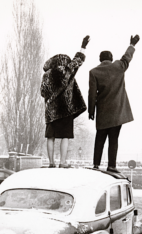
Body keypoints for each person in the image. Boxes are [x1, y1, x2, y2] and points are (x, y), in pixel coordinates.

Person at [88, 35, 140, 173]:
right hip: (117, 112)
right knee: (114, 139)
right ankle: (111, 166)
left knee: (100, 138)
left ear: (100, 59)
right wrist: (132, 44)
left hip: (103, 113)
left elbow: (92, 93)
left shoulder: (94, 72)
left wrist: (91, 111)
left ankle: (96, 165)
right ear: (111, 59)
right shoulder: (118, 67)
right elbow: (126, 57)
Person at [41, 35, 90, 168]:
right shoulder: (68, 71)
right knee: (65, 137)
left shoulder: (46, 75)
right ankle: (62, 162)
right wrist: (83, 46)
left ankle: (51, 163)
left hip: (51, 111)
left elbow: (42, 93)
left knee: (50, 137)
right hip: (65, 110)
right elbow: (78, 60)